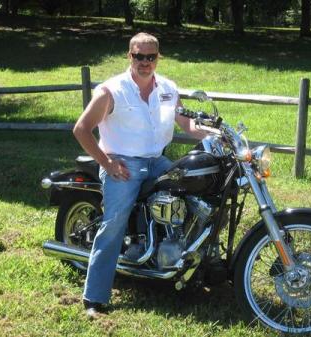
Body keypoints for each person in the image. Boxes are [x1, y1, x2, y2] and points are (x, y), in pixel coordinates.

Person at [73, 32, 207, 319]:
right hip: (123, 164)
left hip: (157, 161)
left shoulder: (169, 89)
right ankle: (94, 298)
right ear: (129, 55)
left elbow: (188, 125)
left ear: (158, 57)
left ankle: (180, 263)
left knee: (195, 193)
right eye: (138, 56)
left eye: (150, 56)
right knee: (114, 223)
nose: (144, 62)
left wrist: (215, 134)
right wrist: (106, 162)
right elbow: (81, 129)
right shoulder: (112, 91)